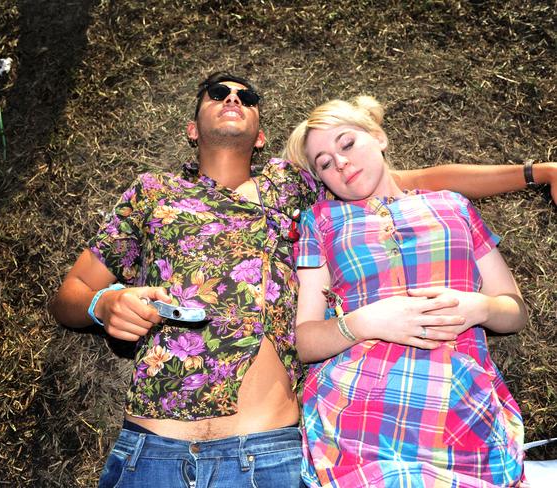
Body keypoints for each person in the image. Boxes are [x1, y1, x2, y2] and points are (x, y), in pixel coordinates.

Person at [49, 71, 556, 488]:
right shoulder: (151, 193)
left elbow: (418, 181)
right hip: (150, 445)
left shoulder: (298, 186)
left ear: (262, 135)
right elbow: (70, 295)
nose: (231, 97)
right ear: (192, 127)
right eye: (217, 92)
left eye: (245, 95)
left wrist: (536, 172)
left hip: (265, 454)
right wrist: (105, 305)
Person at [285, 95, 533, 487]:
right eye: (325, 164)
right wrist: (365, 322)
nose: (342, 163)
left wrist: (480, 307)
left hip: (461, 405)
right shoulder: (322, 220)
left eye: (347, 144)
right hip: (359, 412)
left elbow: (515, 310)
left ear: (379, 137)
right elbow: (304, 340)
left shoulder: (453, 205)